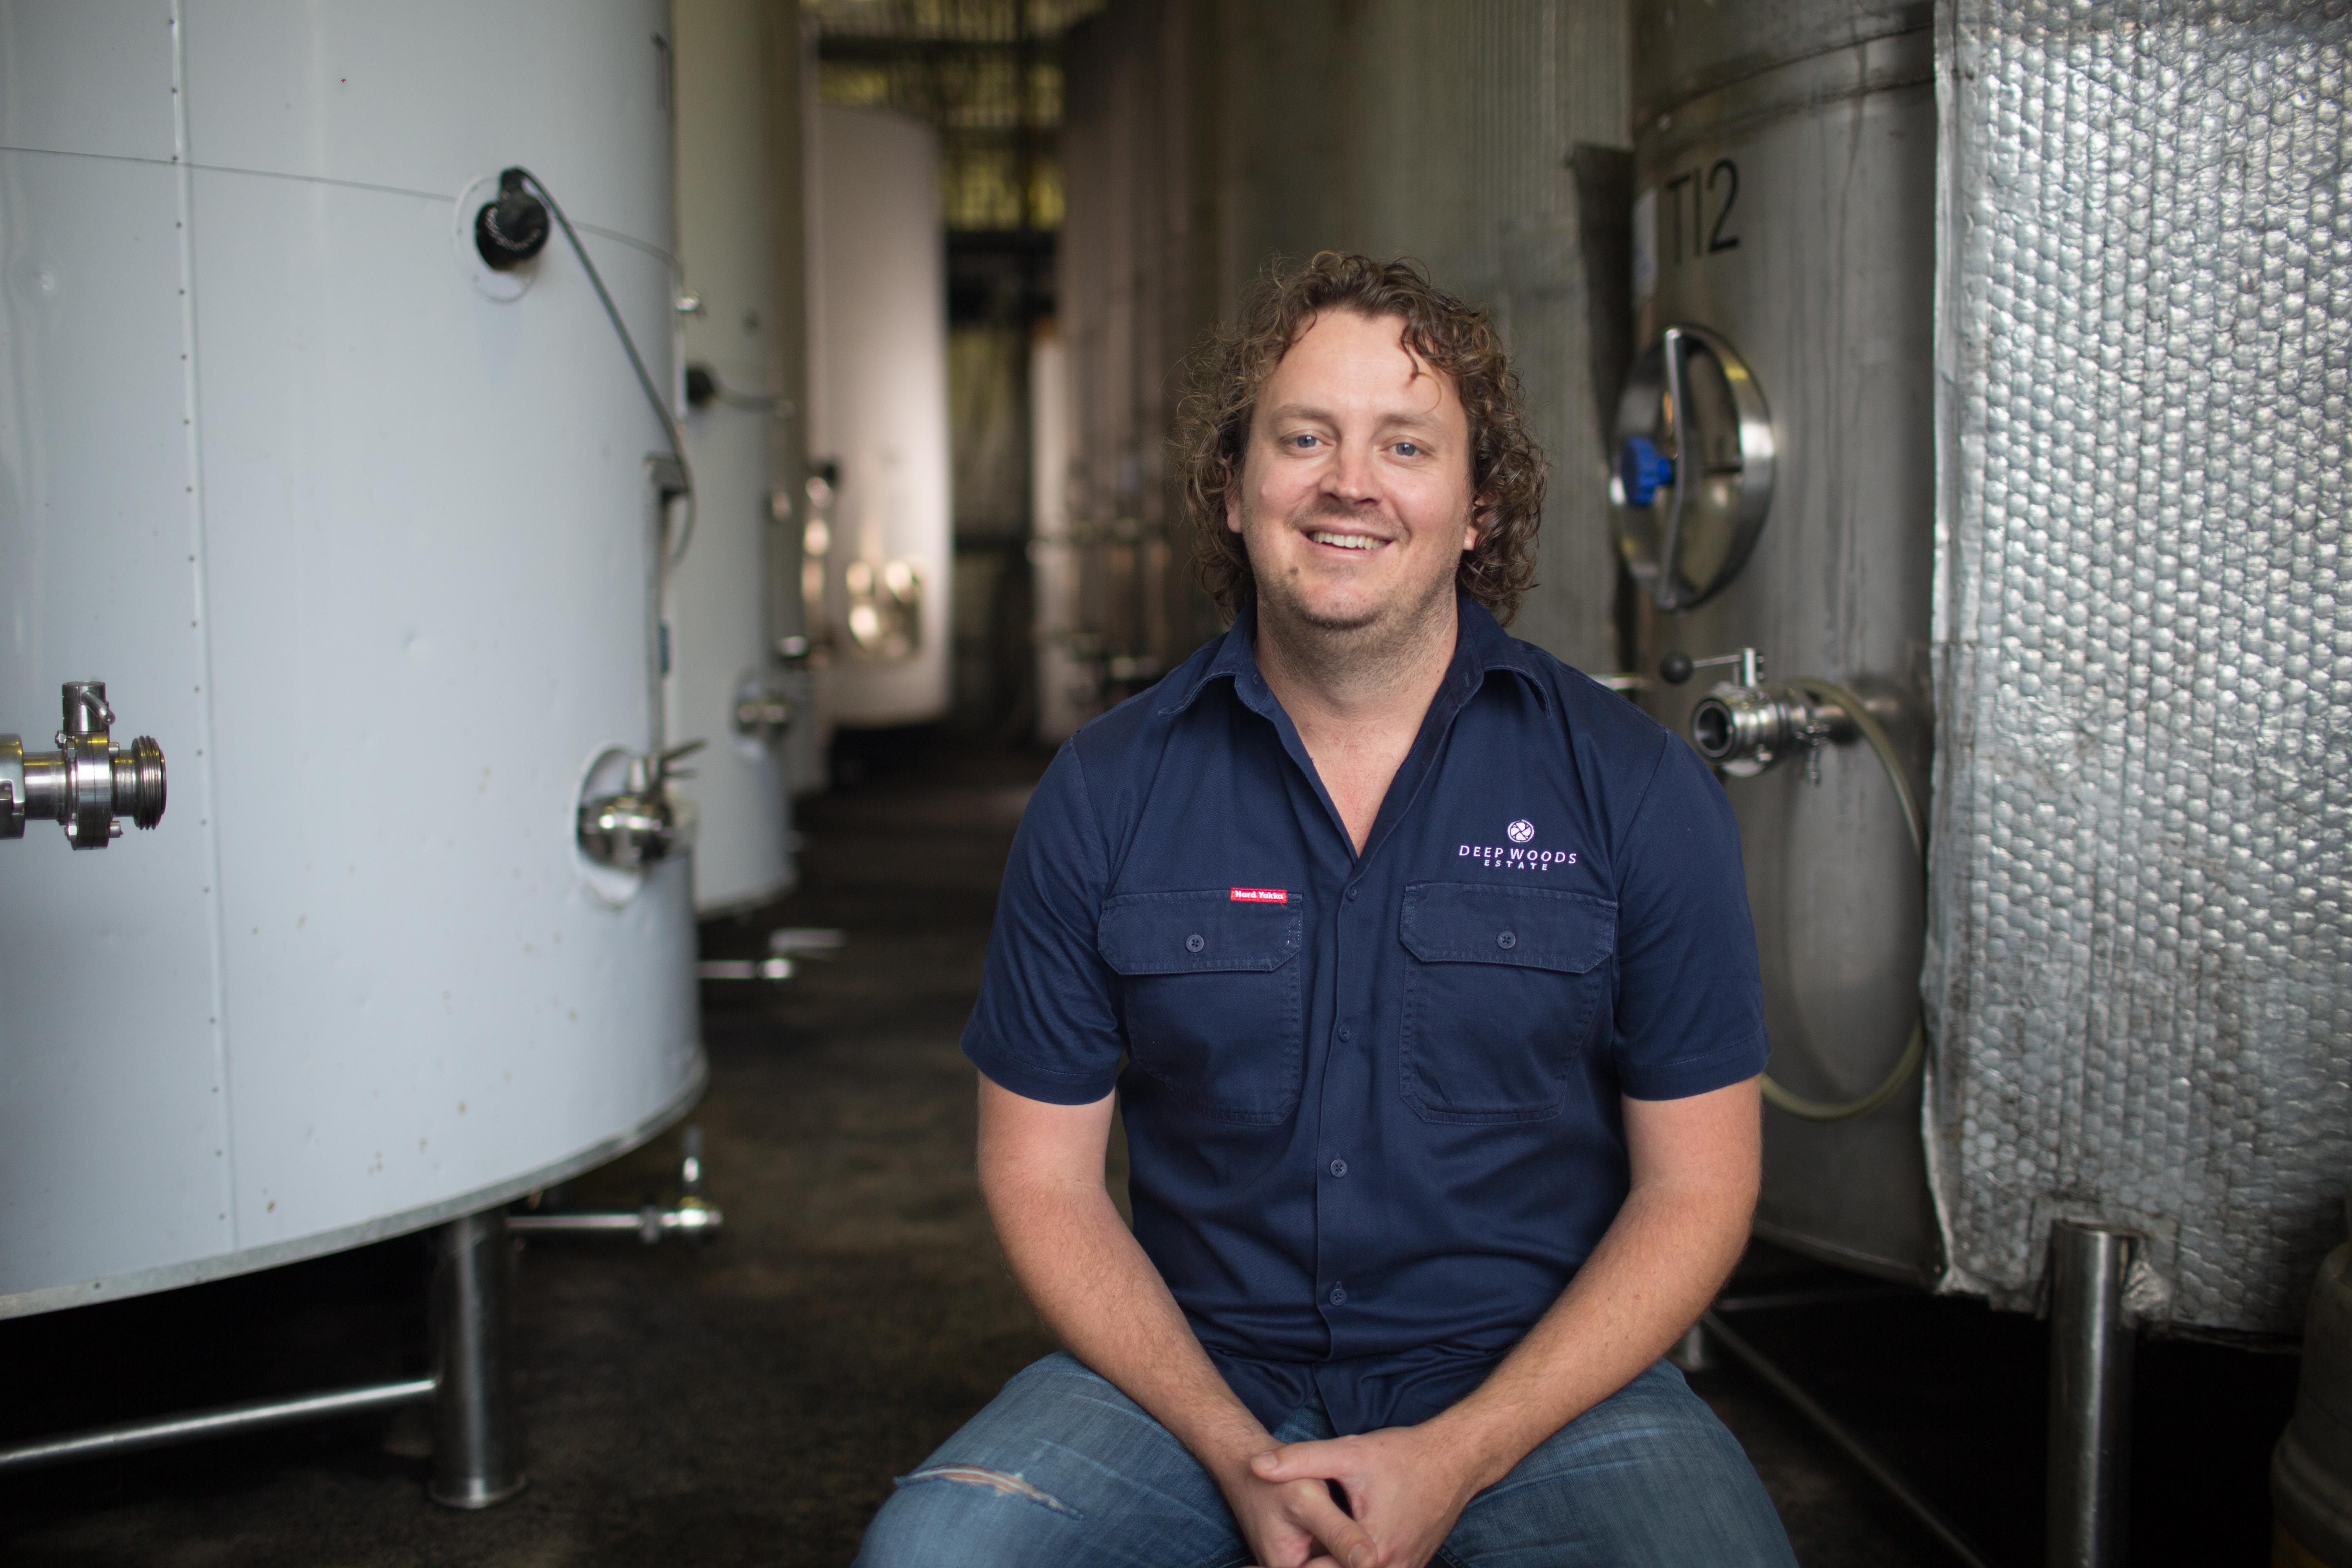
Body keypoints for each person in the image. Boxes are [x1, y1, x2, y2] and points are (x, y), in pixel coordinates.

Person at [854, 252, 1795, 1568]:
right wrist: (1234, 1453)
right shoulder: (1108, 789)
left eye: (1406, 444)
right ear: (1233, 488)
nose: (1350, 482)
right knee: (935, 1555)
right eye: (1305, 438)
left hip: (1541, 1383)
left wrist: (1463, 1452)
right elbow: (1040, 1175)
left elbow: (1698, 1187)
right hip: (1193, 1375)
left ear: (1478, 508)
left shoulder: (1631, 788)